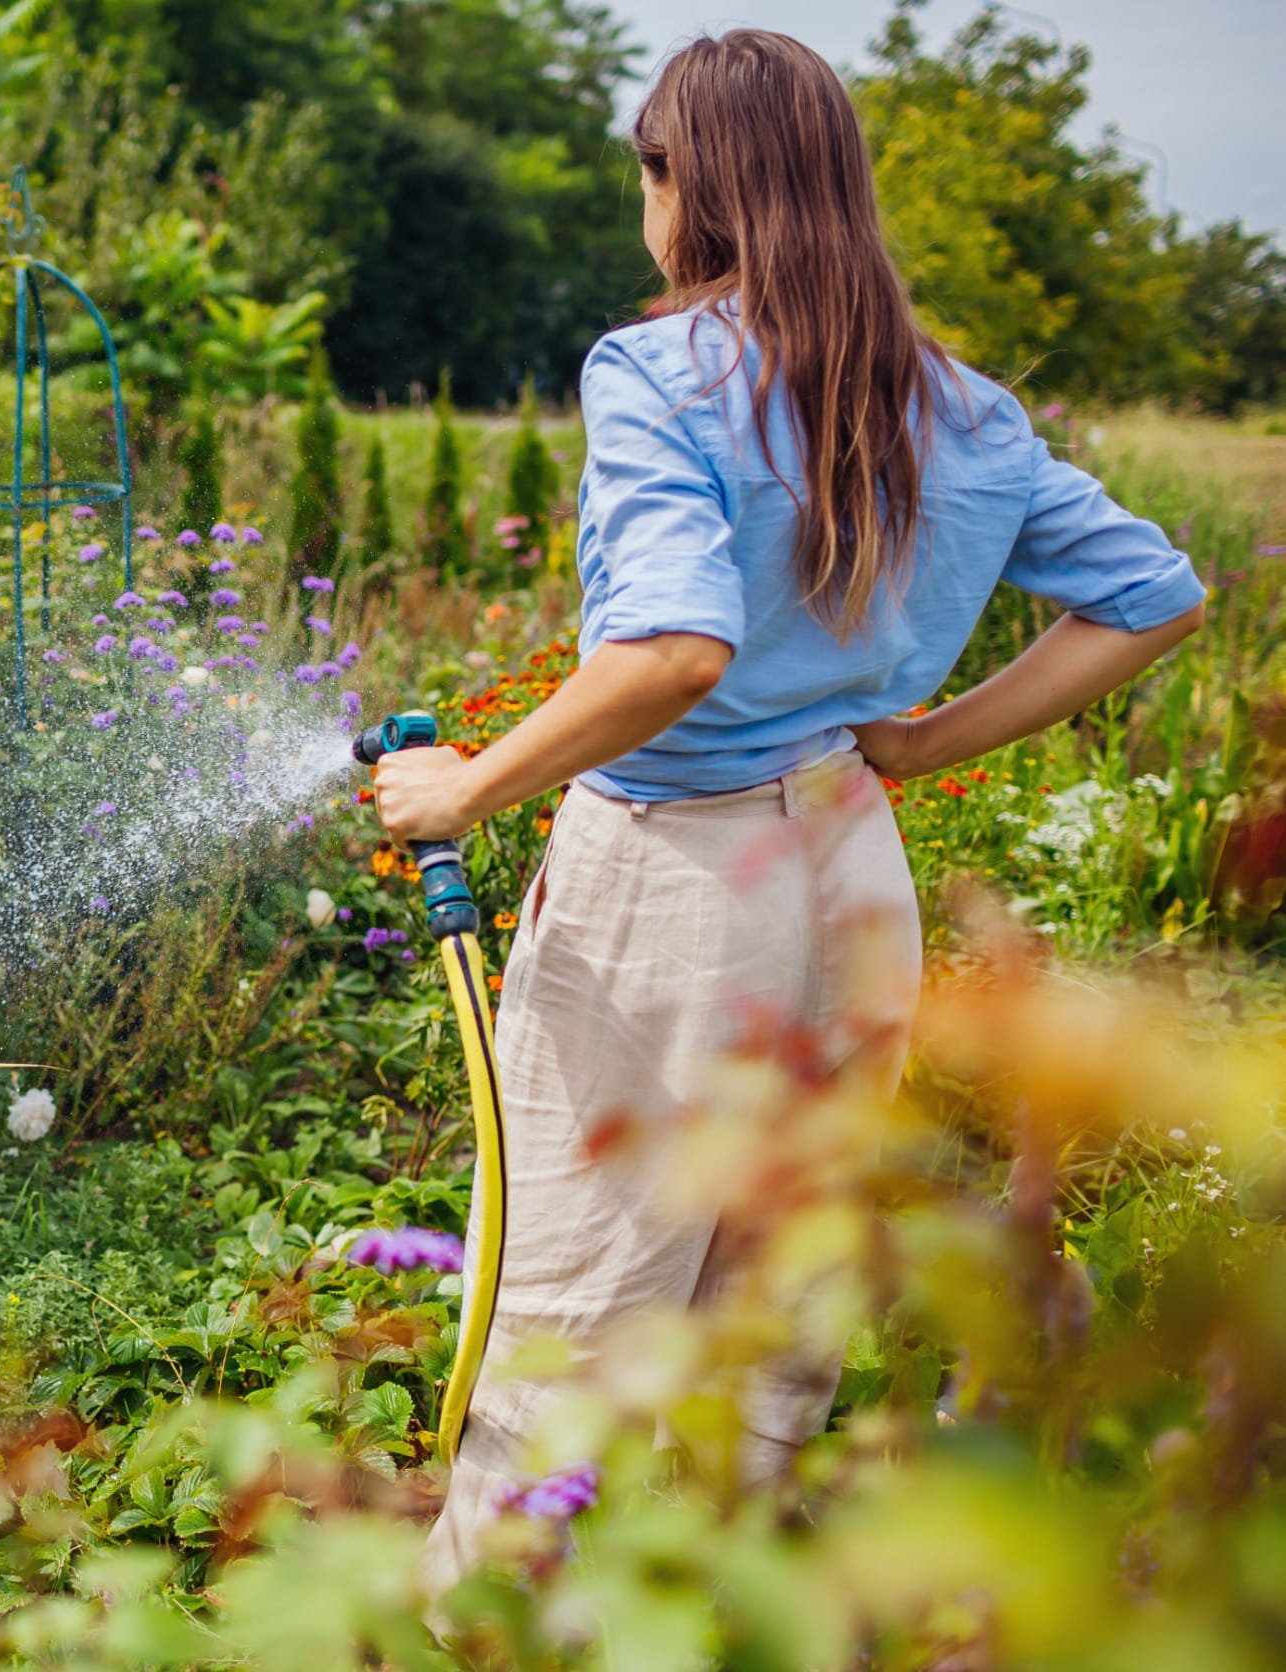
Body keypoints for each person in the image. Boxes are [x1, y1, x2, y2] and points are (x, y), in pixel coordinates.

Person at [371, 28, 1205, 1576]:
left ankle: (491, 1620)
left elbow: (678, 647)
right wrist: (922, 744)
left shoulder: (657, 370)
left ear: (690, 188)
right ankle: (722, 1597)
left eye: (650, 172)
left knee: (575, 1296)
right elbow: (1155, 597)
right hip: (846, 870)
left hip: (673, 882)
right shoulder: (963, 407)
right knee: (777, 1290)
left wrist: (468, 789)